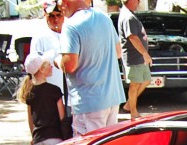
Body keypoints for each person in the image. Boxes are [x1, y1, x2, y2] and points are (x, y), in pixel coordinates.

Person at [56, 0, 125, 137]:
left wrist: (57, 61)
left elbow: (69, 65)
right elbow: (118, 52)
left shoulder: (71, 25)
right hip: (111, 97)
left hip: (88, 100)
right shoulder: (104, 17)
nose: (60, 7)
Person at [17, 51, 66, 145]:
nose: (51, 66)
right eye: (49, 64)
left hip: (39, 138)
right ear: (41, 69)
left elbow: (30, 119)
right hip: (54, 137)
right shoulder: (55, 90)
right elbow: (62, 117)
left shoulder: (29, 92)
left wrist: (33, 136)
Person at [117, 0, 152, 120]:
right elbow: (132, 37)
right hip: (133, 57)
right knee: (134, 84)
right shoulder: (128, 17)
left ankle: (128, 105)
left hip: (139, 57)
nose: (139, 2)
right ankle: (133, 112)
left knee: (146, 80)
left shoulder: (130, 15)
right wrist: (145, 54)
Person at [31, 1, 64, 91]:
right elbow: (34, 66)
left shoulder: (70, 34)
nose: (55, 19)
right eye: (51, 16)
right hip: (49, 91)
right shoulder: (40, 37)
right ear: (45, 15)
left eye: (59, 15)